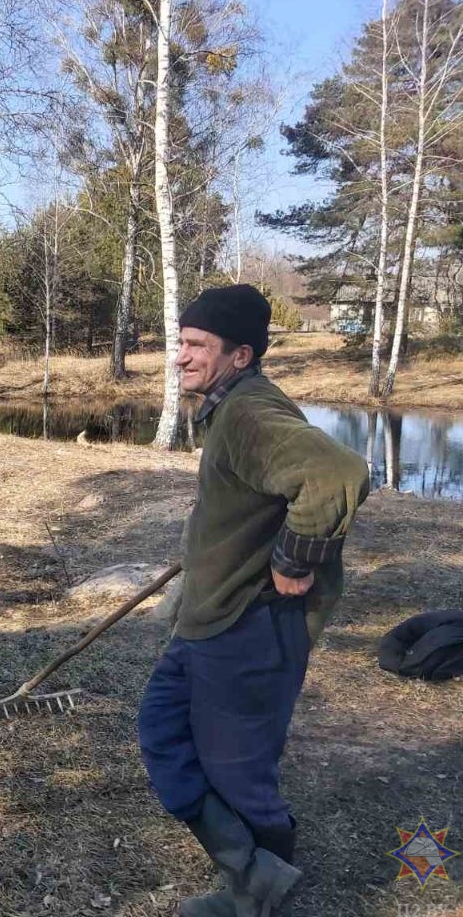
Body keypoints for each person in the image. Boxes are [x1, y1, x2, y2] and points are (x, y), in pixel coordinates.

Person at [136, 284, 370, 916]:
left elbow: (337, 474)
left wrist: (297, 558)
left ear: (241, 356)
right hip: (209, 618)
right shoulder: (230, 405)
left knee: (239, 773)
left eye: (197, 345)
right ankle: (250, 870)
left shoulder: (246, 412)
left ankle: (258, 894)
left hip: (251, 625)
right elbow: (252, 498)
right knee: (160, 728)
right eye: (179, 343)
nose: (181, 357)